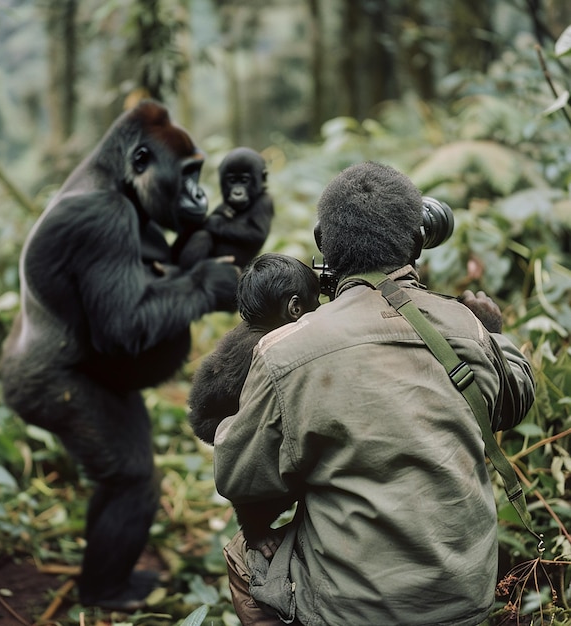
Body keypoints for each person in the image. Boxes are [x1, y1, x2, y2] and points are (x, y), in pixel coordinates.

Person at [213, 162, 535, 626]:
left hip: (352, 612)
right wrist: (494, 332)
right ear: (420, 243)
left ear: (325, 244)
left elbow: (238, 476)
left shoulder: (287, 349)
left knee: (246, 555)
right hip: (466, 599)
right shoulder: (463, 326)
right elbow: (516, 397)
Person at [188, 253, 320, 558]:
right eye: (317, 303)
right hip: (219, 420)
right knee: (273, 467)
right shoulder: (265, 350)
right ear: (295, 308)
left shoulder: (255, 332)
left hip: (218, 411)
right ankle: (256, 533)